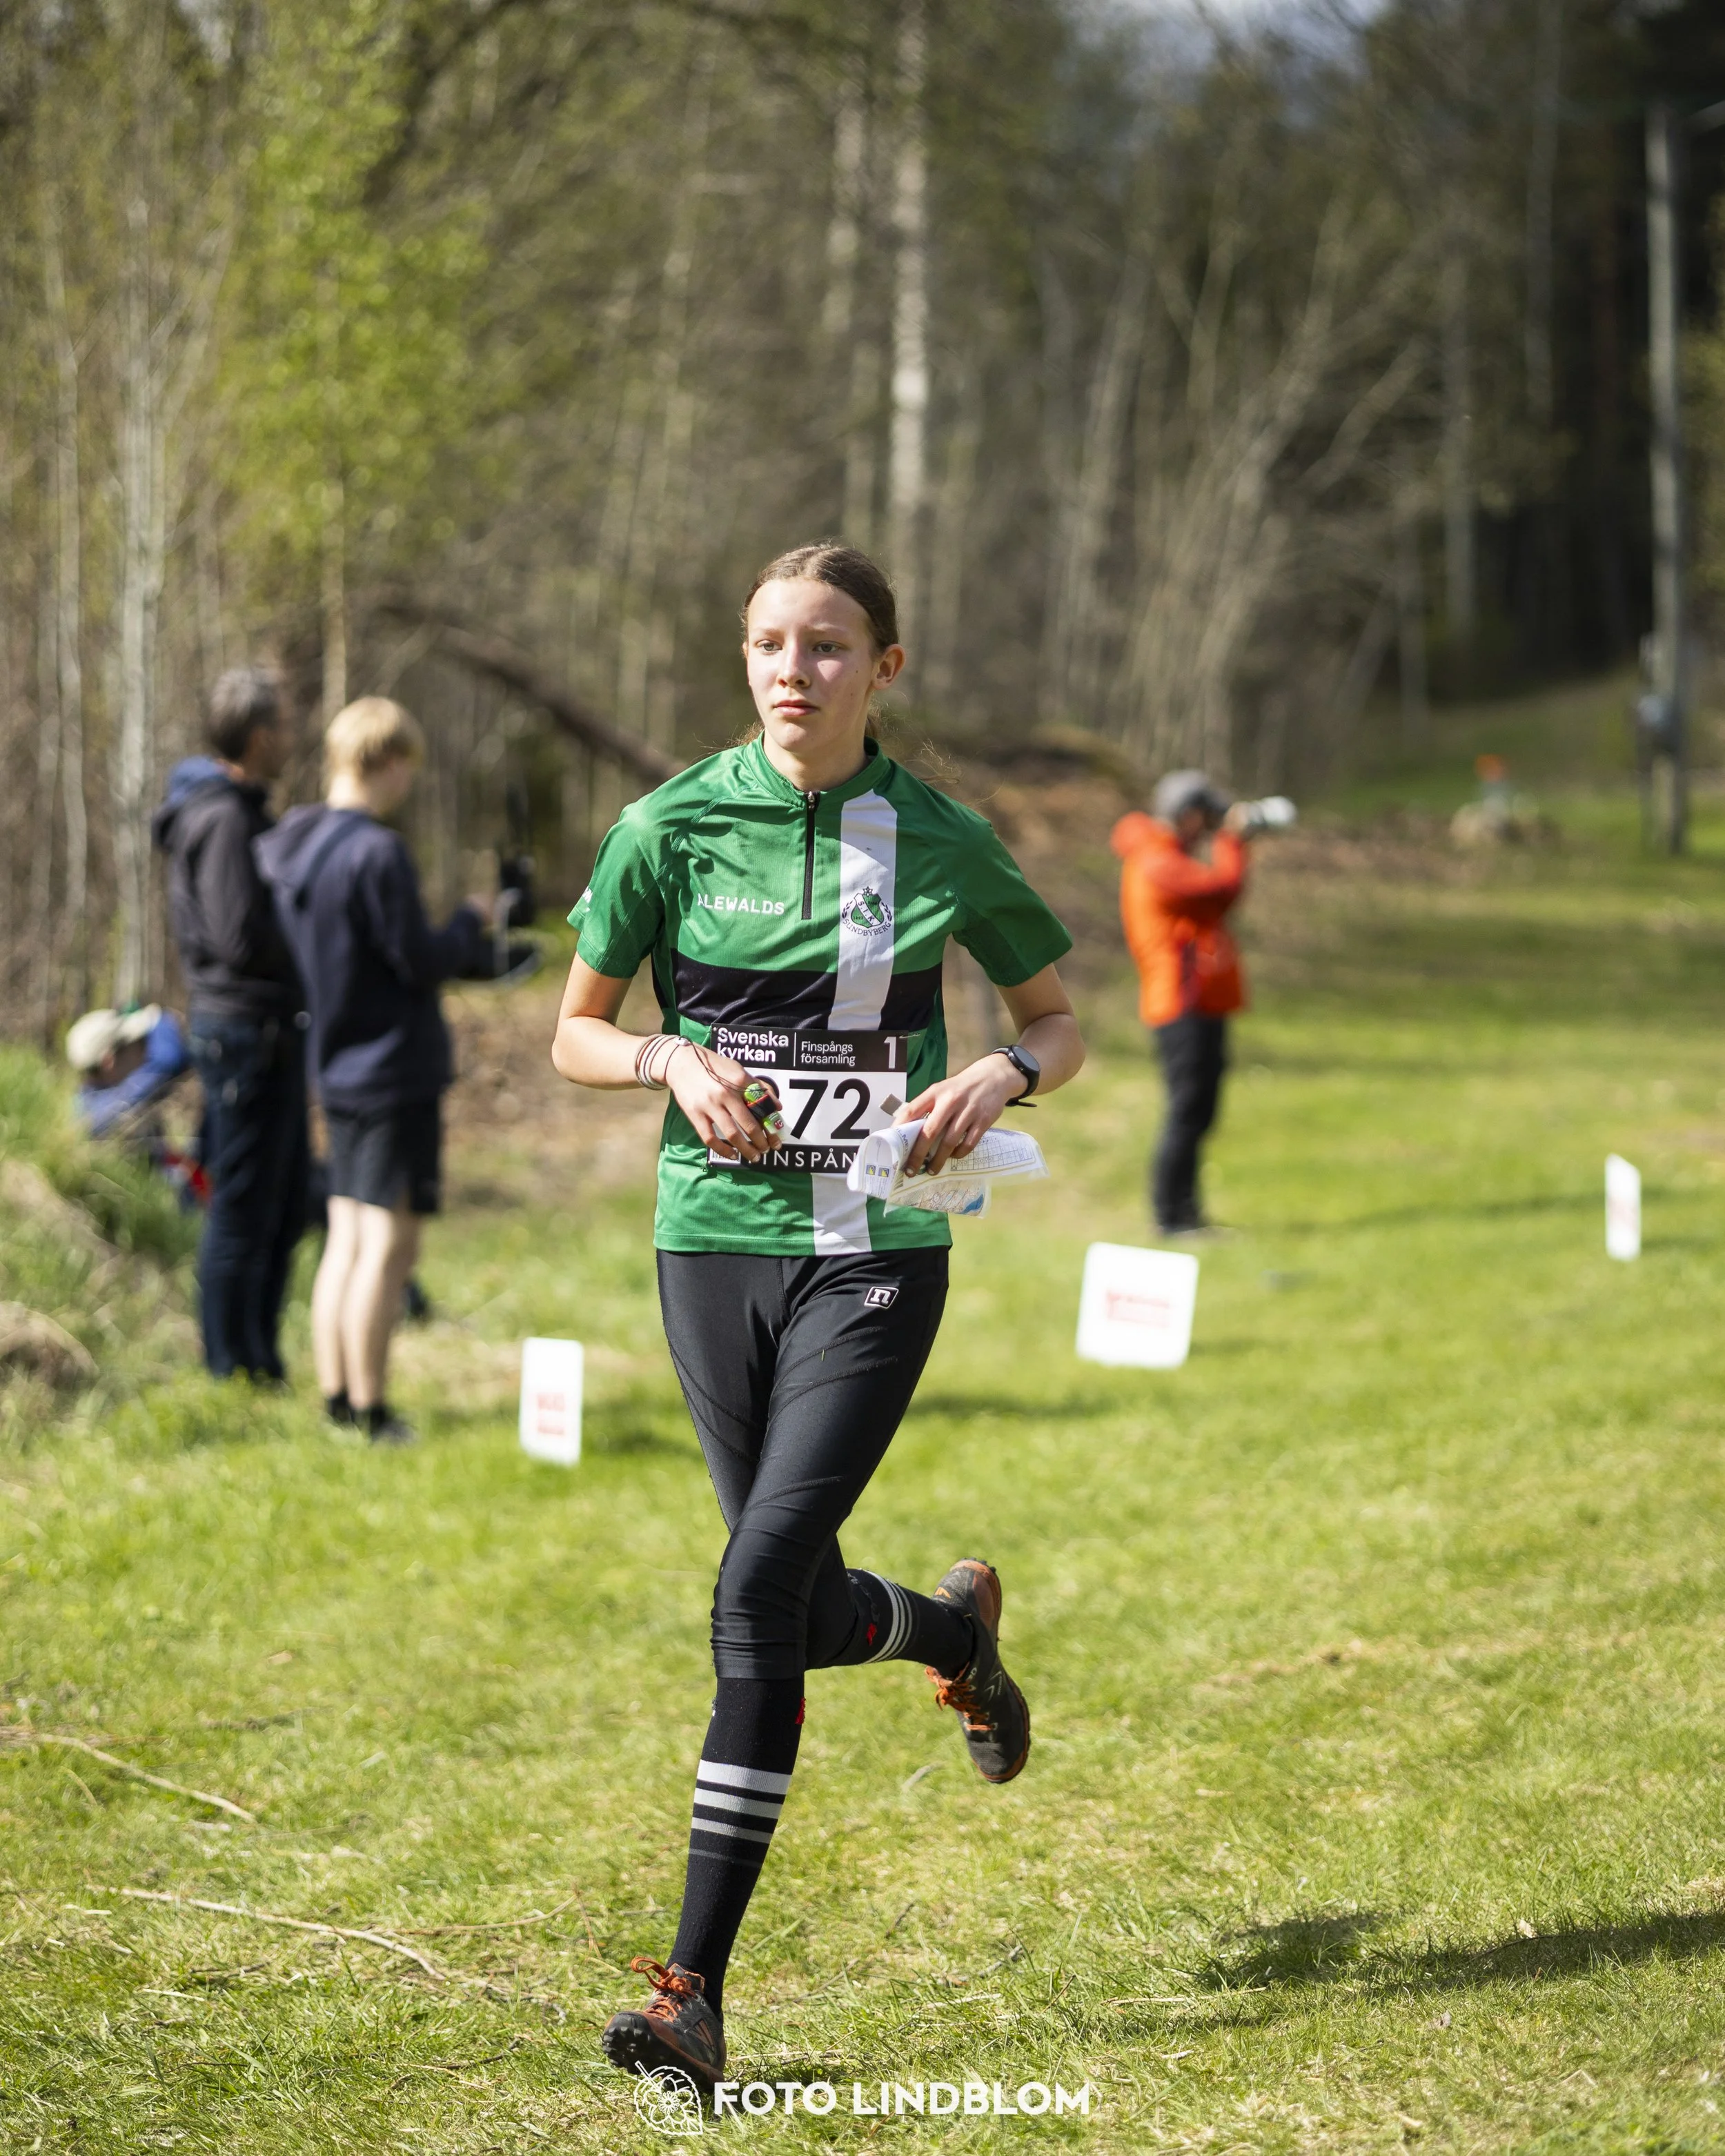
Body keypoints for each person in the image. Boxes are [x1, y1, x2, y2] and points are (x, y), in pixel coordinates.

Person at [551, 542, 1085, 2097]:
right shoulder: (668, 825)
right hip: (707, 1245)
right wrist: (668, 1063)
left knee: (754, 1582)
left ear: (885, 669)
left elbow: (1055, 1016)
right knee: (775, 1603)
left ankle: (688, 1992)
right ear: (743, 661)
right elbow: (576, 1034)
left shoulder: (932, 835)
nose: (796, 669)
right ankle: (950, 1633)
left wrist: (1002, 1070)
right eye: (771, 643)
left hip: (870, 1248)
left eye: (830, 645)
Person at [257, 697, 490, 1445]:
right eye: (407, 770)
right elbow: (418, 959)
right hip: (393, 1069)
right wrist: (468, 923)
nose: (407, 786)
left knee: (348, 1237)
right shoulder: (374, 852)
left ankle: (336, 1400)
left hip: (336, 1061)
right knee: (388, 1246)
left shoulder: (293, 843)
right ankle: (372, 1409)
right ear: (387, 762)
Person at [151, 667, 307, 1381]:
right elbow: (237, 937)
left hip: (266, 1030)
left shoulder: (239, 810)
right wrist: (309, 926)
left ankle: (260, 1359)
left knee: (279, 1203)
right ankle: (227, 1366)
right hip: (243, 1033)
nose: (290, 738)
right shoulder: (221, 818)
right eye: (281, 727)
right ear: (257, 735)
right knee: (241, 1206)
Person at [1111, 769, 1253, 1235]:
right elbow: (1221, 889)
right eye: (1205, 815)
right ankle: (1171, 1218)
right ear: (1187, 814)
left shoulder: (1167, 853)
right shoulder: (1157, 860)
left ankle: (1187, 1212)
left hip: (1195, 1002)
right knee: (1186, 1111)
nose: (1209, 824)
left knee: (1199, 1111)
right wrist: (1233, 840)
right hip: (1180, 1004)